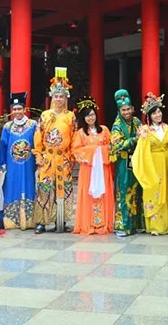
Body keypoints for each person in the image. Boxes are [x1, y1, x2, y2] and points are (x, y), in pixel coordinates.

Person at [33, 68, 76, 234]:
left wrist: (71, 157)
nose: (59, 99)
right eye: (56, 96)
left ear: (66, 98)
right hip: (48, 158)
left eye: (61, 96)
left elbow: (73, 137)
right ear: (52, 97)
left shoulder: (70, 116)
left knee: (64, 189)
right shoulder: (45, 115)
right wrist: (38, 155)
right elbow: (38, 136)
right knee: (45, 189)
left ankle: (61, 220)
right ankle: (41, 222)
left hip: (63, 158)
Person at [132, 93, 168, 235]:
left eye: (159, 112)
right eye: (154, 113)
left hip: (167, 163)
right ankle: (155, 226)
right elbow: (141, 150)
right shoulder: (145, 129)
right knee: (153, 191)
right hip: (152, 165)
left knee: (167, 192)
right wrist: (143, 139)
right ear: (149, 116)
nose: (158, 115)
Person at [72, 96, 113, 235]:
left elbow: (111, 147)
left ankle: (103, 224)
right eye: (87, 116)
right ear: (83, 118)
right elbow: (76, 150)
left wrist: (100, 150)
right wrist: (94, 150)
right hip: (88, 169)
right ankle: (88, 224)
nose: (90, 118)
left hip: (102, 168)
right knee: (88, 194)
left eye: (92, 115)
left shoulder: (105, 130)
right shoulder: (80, 133)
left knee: (104, 193)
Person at [0, 92, 37, 230]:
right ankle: (11, 220)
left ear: (25, 109)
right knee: (11, 188)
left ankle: (30, 220)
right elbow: (3, 146)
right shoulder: (7, 127)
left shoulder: (33, 125)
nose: (17, 112)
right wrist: (1, 165)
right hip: (12, 165)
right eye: (14, 109)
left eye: (19, 109)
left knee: (30, 187)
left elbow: (37, 144)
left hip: (29, 165)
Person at [109, 89, 143, 237]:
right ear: (119, 111)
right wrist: (134, 140)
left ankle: (137, 224)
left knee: (138, 190)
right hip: (123, 162)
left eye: (128, 109)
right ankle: (123, 226)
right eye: (123, 110)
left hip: (137, 160)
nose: (126, 112)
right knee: (124, 191)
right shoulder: (117, 125)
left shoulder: (137, 122)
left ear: (133, 109)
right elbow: (116, 146)